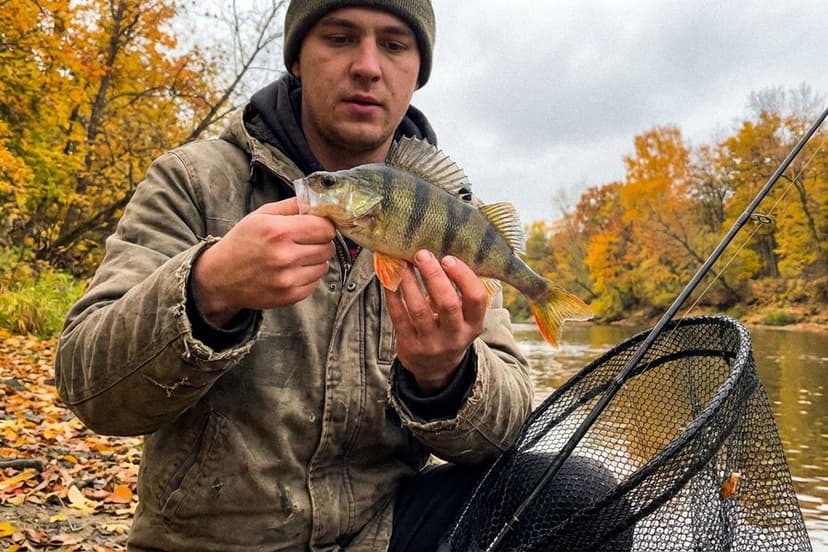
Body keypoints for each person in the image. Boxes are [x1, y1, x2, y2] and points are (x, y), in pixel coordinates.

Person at [54, 1, 534, 550]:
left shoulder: (452, 215)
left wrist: (445, 378)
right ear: (297, 60)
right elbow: (87, 387)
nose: (368, 66)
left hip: (385, 533)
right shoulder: (194, 181)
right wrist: (207, 289)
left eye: (396, 44)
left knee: (573, 490)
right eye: (339, 37)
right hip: (213, 542)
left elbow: (510, 424)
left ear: (417, 74)